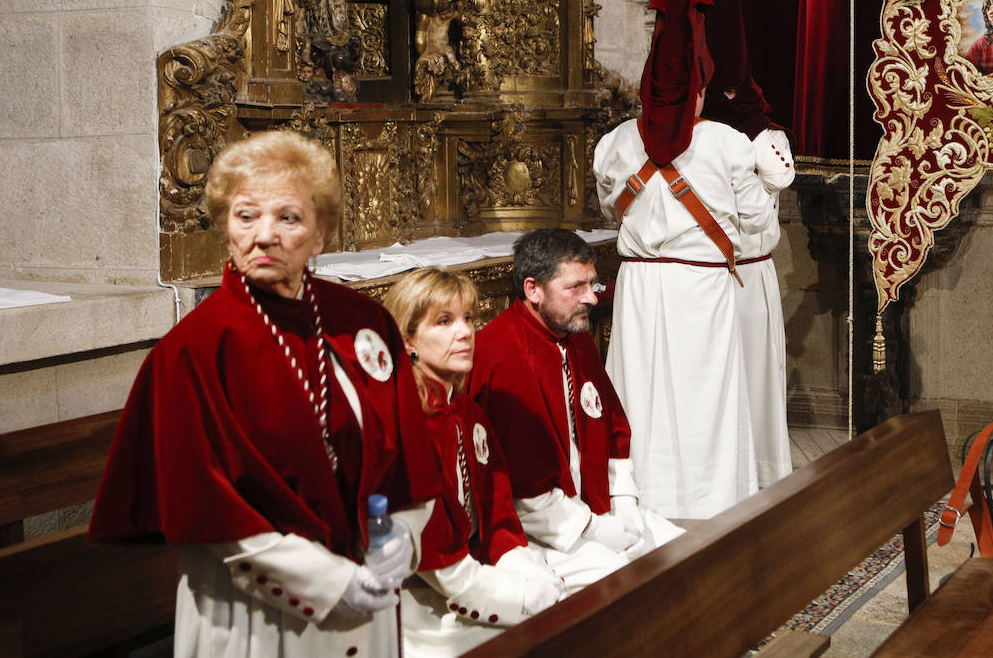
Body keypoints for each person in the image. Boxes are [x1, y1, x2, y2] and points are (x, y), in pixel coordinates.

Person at [90, 130, 438, 657]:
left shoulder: (360, 322)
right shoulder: (192, 350)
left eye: (289, 218)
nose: (264, 236)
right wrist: (327, 582)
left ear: (320, 235)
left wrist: (404, 539)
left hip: (369, 602)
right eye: (246, 216)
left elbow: (408, 455)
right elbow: (209, 506)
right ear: (226, 229)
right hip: (254, 615)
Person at [594, 0, 777, 519]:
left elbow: (606, 207)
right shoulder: (729, 145)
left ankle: (640, 503)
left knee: (641, 397)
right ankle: (715, 508)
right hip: (704, 290)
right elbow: (757, 229)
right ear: (701, 83)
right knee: (709, 404)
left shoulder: (615, 143)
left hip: (642, 290)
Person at [470, 229, 683, 587]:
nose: (591, 298)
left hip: (592, 506)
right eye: (575, 287)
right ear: (533, 289)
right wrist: (593, 527)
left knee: (679, 549)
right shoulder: (501, 355)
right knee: (622, 579)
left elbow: (612, 421)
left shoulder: (573, 335)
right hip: (539, 527)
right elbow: (521, 483)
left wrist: (624, 500)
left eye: (592, 284)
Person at [384, 268, 565, 657]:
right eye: (444, 322)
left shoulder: (466, 412)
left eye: (468, 319)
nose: (465, 332)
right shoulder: (405, 422)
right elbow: (435, 560)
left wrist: (524, 569)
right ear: (408, 339)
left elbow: (497, 517)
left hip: (465, 570)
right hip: (408, 595)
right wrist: (516, 598)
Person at [701, 0, 794, 488]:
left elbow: (778, 175)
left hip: (746, 277)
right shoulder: (690, 139)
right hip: (700, 280)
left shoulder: (760, 137)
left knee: (753, 385)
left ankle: (757, 475)